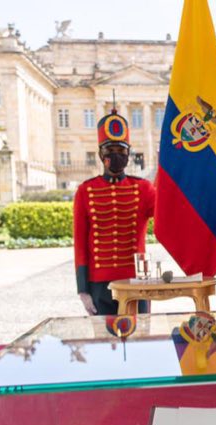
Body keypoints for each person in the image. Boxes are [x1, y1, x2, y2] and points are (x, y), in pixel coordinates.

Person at [73, 106, 156, 316]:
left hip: (136, 279)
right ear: (102, 154)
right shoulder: (85, 191)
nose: (116, 156)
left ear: (128, 154)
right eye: (111, 151)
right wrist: (83, 289)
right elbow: (80, 243)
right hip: (99, 284)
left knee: (142, 342)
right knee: (104, 346)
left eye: (121, 151)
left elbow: (168, 215)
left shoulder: (144, 188)